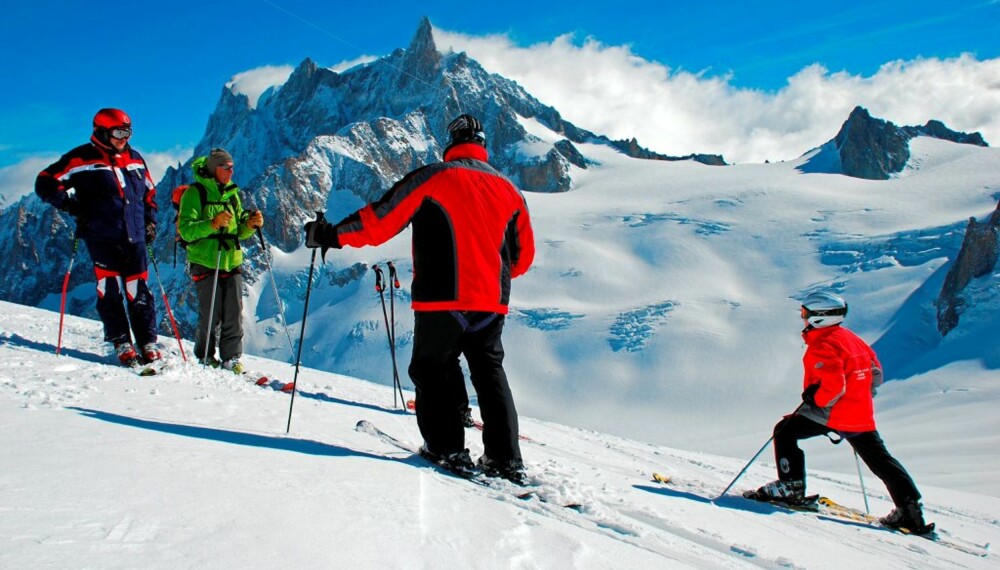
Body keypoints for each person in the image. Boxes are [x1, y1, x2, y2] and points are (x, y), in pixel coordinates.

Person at [304, 114, 536, 483]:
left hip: (441, 299)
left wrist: (331, 235)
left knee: (432, 368)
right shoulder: (511, 190)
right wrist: (489, 274)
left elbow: (379, 220)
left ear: (451, 142)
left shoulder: (435, 177)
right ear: (482, 144)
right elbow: (523, 258)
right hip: (491, 303)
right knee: (490, 373)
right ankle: (505, 459)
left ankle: (448, 449)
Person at [744, 291, 931, 533]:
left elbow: (833, 386)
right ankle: (910, 510)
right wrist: (861, 396)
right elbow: (875, 371)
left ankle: (791, 487)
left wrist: (814, 399)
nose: (803, 318)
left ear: (820, 317)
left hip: (834, 412)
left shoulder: (823, 344)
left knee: (785, 431)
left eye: (805, 313)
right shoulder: (851, 338)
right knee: (881, 460)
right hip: (859, 411)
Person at [35, 108, 162, 367]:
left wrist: (150, 222)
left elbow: (149, 193)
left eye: (128, 132)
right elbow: (45, 180)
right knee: (111, 290)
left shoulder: (135, 158)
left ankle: (147, 342)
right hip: (102, 235)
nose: (124, 138)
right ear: (102, 131)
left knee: (139, 291)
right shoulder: (81, 158)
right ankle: (121, 342)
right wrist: (70, 205)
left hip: (135, 235)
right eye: (118, 132)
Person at [176, 148, 263, 373]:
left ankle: (231, 357)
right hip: (206, 260)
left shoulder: (231, 194)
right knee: (211, 313)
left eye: (232, 167)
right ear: (215, 168)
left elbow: (237, 232)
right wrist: (212, 224)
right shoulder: (195, 194)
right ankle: (205, 355)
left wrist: (250, 225)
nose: (230, 171)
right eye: (226, 167)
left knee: (234, 312)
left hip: (231, 259)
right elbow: (186, 230)